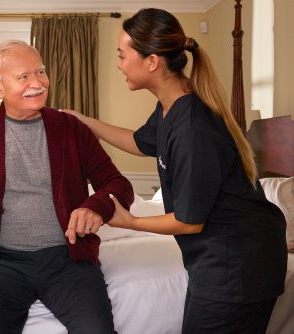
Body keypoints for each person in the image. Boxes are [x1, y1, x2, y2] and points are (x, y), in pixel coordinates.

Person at [62, 8, 287, 334]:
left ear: (151, 61)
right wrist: (85, 123)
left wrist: (131, 221)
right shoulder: (171, 106)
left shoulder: (193, 128)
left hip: (238, 265)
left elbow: (189, 221)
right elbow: (141, 142)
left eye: (123, 55)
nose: (119, 64)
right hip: (222, 260)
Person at [0, 39, 134, 334]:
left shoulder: (72, 129)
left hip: (69, 261)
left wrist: (96, 206)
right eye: (23, 77)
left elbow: (118, 185)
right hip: (2, 263)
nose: (37, 83)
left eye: (40, 72)